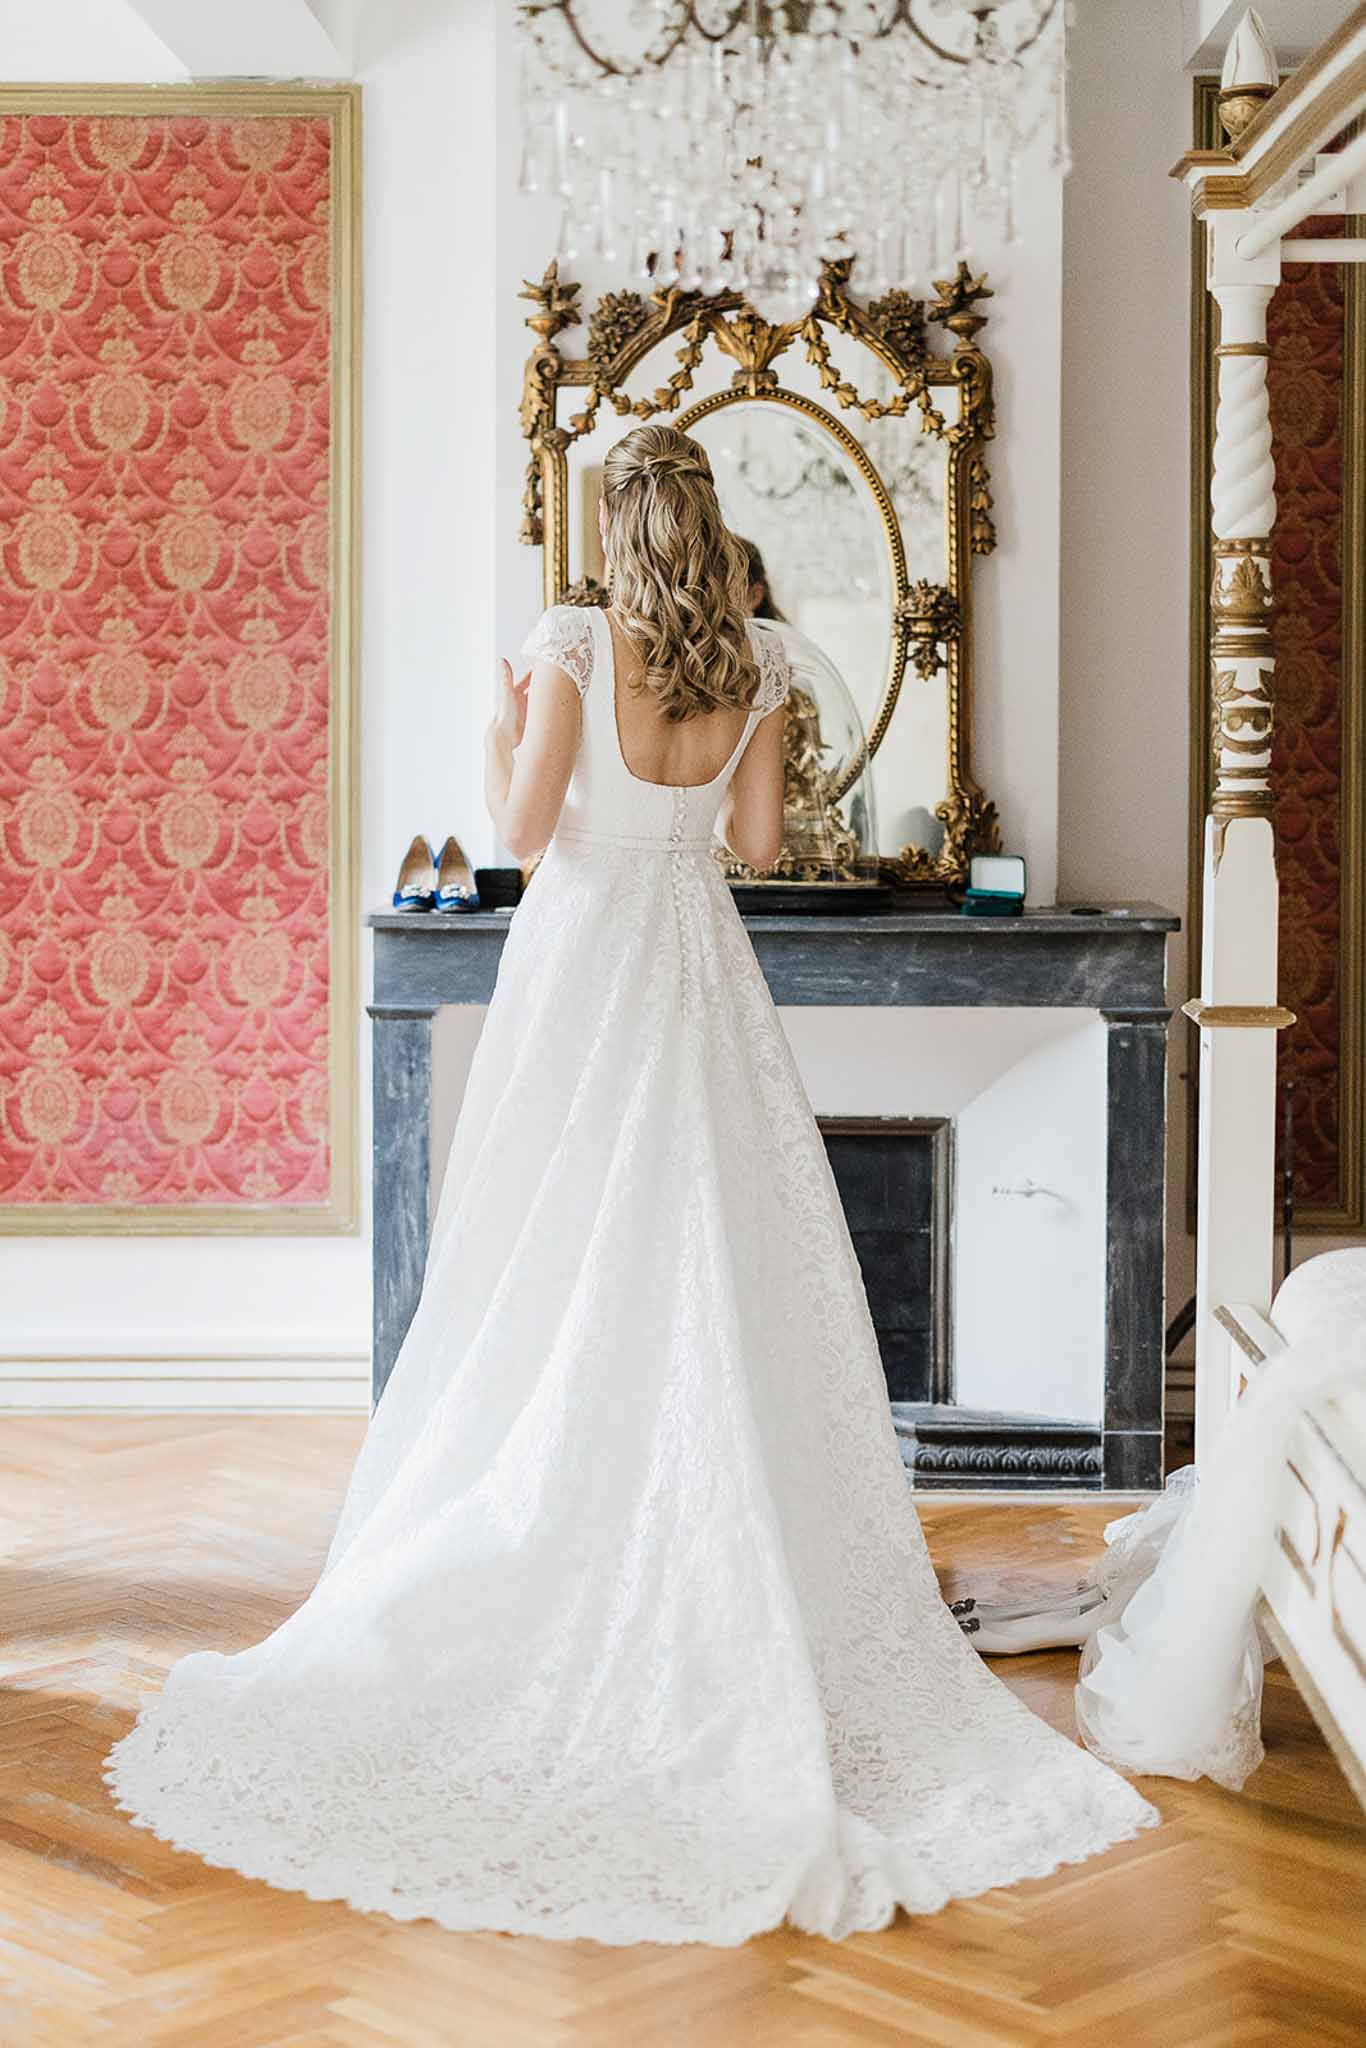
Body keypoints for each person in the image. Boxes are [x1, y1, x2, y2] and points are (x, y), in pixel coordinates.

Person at [104, 424, 1157, 1946]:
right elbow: (755, 843)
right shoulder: (761, 659)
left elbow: (521, 835)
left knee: (552, 1237)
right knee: (708, 1235)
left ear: (618, 525)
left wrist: (499, 735)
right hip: (696, 957)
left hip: (584, 954)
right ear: (710, 524)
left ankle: (565, 1498)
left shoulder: (574, 641)